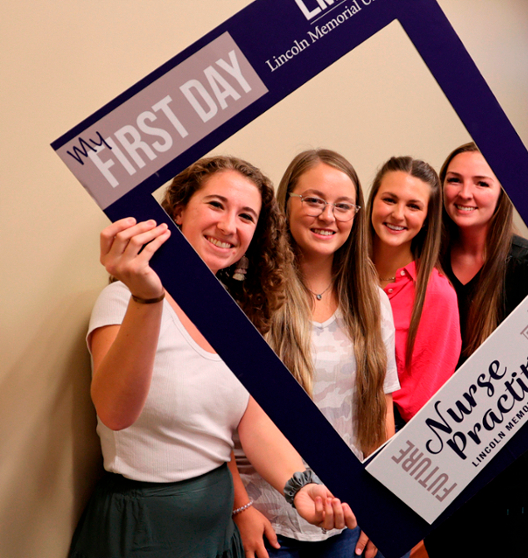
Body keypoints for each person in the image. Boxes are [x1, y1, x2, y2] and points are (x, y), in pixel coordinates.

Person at [69, 156, 357, 558]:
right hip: (145, 527)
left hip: (216, 525)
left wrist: (301, 488)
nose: (229, 226)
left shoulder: (234, 313)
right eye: (216, 205)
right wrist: (147, 297)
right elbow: (114, 412)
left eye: (246, 216)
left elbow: (252, 420)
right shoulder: (121, 300)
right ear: (178, 211)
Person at [233, 149, 400, 558]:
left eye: (343, 206)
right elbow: (216, 417)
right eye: (313, 200)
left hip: (348, 512)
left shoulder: (373, 301)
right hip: (266, 516)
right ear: (284, 203)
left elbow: (380, 406)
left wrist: (384, 505)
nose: (329, 216)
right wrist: (240, 508)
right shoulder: (251, 297)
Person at [423, 143, 528, 558]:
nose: (465, 193)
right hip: (436, 448)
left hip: (507, 453)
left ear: (501, 193)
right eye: (454, 180)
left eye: (481, 183)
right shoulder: (424, 258)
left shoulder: (525, 263)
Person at [366, 156, 461, 427]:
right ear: (372, 200)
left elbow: (422, 405)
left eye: (413, 206)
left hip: (383, 433)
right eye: (389, 200)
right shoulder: (339, 269)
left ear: (428, 218)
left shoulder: (438, 295)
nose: (398, 214)